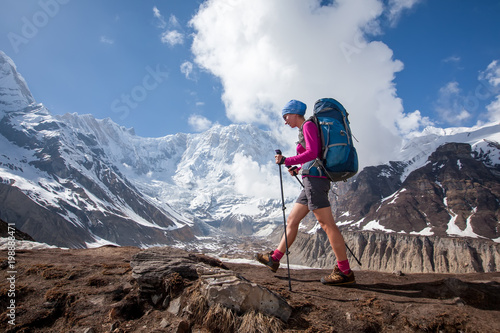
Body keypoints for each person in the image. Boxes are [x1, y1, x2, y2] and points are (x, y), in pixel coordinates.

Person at [256, 99, 355, 285]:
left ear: (294, 113)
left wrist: (286, 160)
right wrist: (298, 168)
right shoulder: (306, 128)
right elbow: (313, 157)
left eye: (286, 117)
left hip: (315, 181)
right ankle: (275, 258)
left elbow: (312, 152)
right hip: (311, 177)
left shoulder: (308, 125)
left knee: (326, 224)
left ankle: (345, 271)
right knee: (292, 220)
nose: (285, 121)